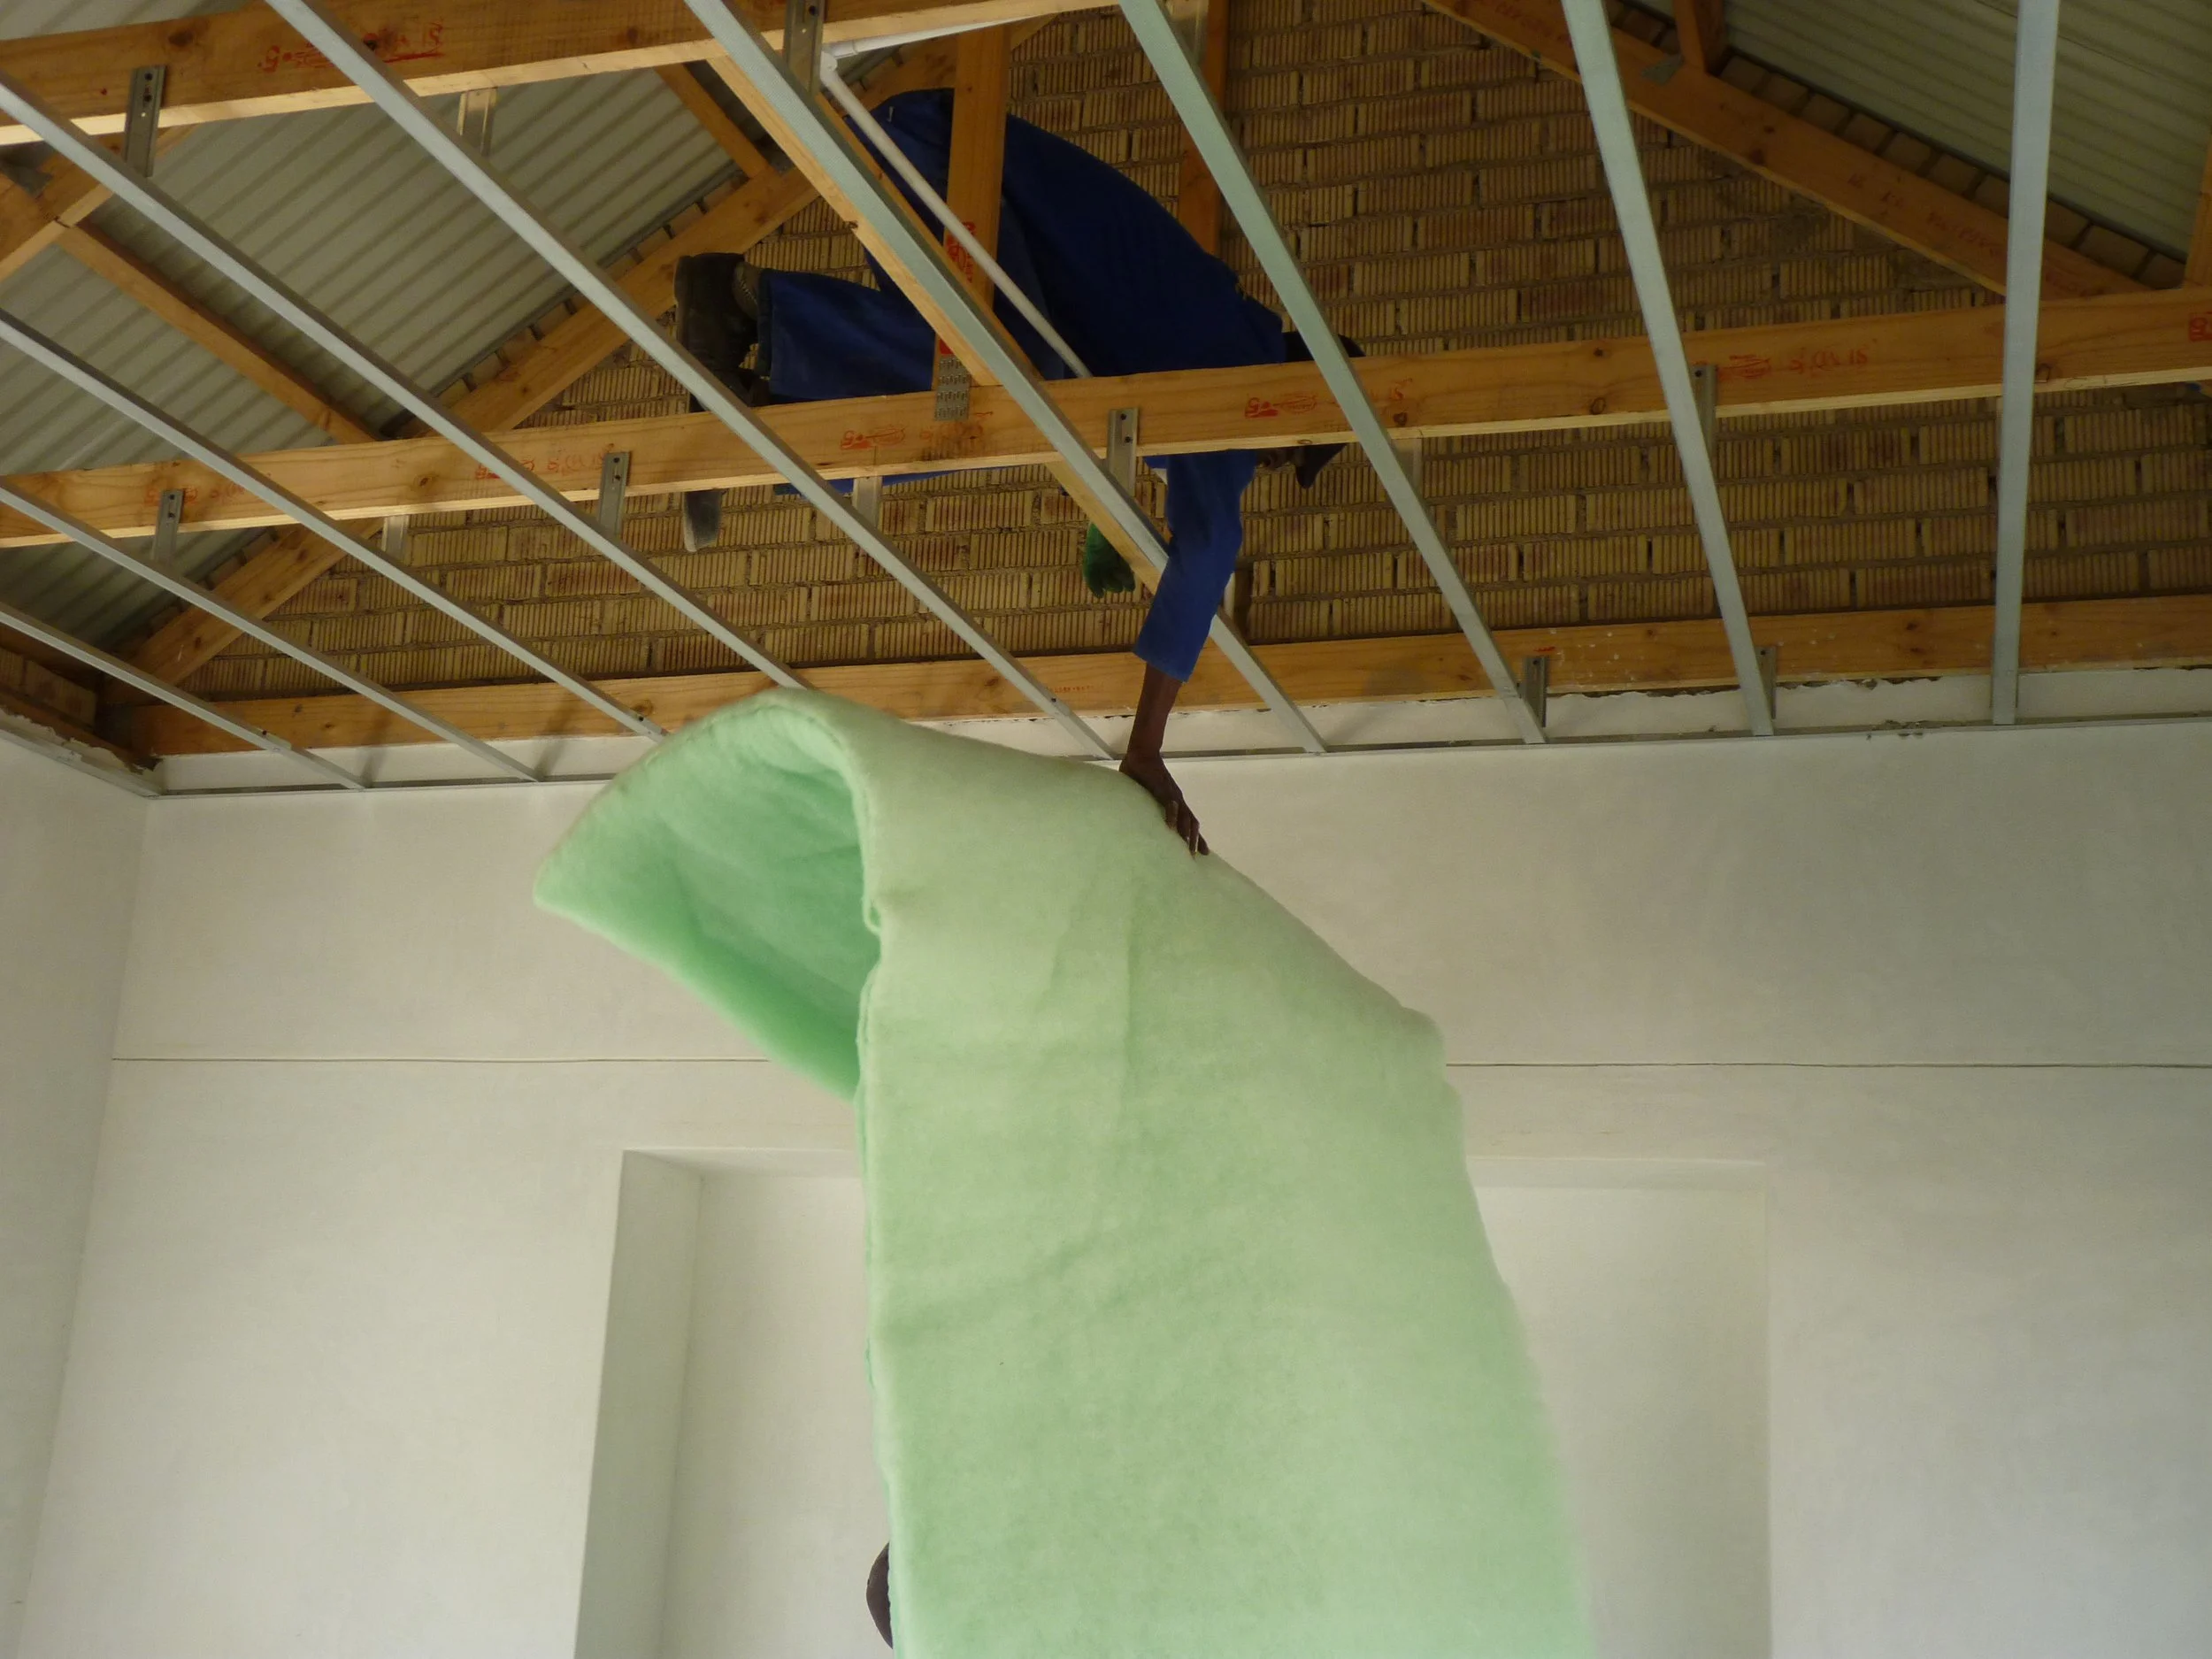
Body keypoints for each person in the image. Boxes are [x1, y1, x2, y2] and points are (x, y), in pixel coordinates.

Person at [672, 88, 1351, 855]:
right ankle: (743, 309)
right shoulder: (1242, 379)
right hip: (949, 157)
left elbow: (1120, 446)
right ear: (1299, 400)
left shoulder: (1199, 340)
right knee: (1004, 382)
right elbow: (1211, 543)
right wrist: (1146, 747)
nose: (1267, 462)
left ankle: (758, 408)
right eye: (1290, 451)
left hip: (931, 152)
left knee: (988, 403)